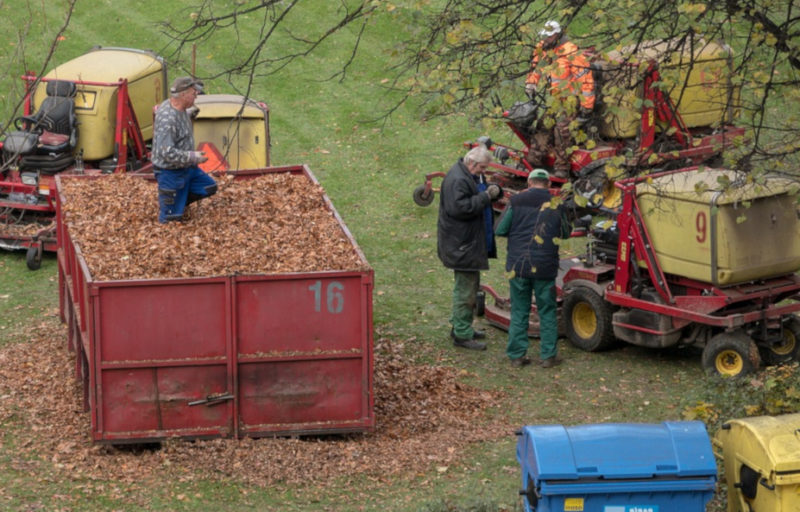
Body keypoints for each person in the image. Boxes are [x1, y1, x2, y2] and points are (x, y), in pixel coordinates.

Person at [495, 169, 571, 368]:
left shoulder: (517, 201)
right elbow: (565, 232)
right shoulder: (556, 204)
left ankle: (517, 356)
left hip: (519, 265)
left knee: (520, 309)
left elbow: (501, 229)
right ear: (547, 185)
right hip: (545, 266)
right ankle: (548, 356)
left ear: (529, 182)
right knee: (547, 310)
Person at [437, 145, 502, 351]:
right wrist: (486, 197)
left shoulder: (466, 174)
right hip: (462, 244)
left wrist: (491, 191)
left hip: (465, 243)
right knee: (465, 290)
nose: (484, 172)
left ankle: (460, 325)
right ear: (472, 163)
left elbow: (473, 193)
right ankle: (462, 334)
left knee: (470, 287)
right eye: (482, 167)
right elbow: (461, 208)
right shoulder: (458, 179)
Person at [524, 20, 595, 177]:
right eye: (545, 36)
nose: (546, 40)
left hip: (570, 101)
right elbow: (536, 65)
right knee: (543, 126)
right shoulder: (544, 47)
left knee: (561, 130)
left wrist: (586, 106)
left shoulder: (571, 52)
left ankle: (561, 168)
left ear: (557, 34)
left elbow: (585, 81)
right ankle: (534, 161)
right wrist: (531, 83)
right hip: (555, 101)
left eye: (549, 37)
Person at [152, 76, 217, 223]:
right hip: (170, 173)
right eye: (194, 93)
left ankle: (179, 202)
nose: (196, 96)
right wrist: (192, 157)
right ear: (183, 95)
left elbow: (177, 117)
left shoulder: (177, 108)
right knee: (171, 220)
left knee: (208, 187)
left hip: (187, 169)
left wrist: (187, 114)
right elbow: (166, 152)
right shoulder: (168, 120)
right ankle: (173, 205)